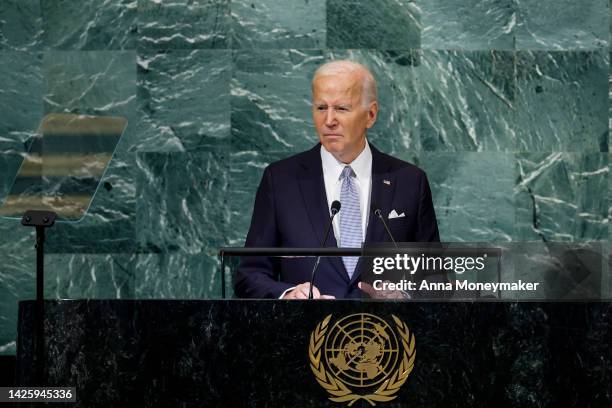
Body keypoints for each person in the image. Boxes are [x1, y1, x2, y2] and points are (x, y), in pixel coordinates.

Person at [234, 60, 439, 299]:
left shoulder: (409, 181)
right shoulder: (281, 180)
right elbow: (250, 275)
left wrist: (404, 295)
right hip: (307, 332)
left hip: (387, 332)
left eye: (341, 108)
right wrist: (288, 294)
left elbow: (435, 278)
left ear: (371, 115)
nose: (329, 120)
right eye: (321, 108)